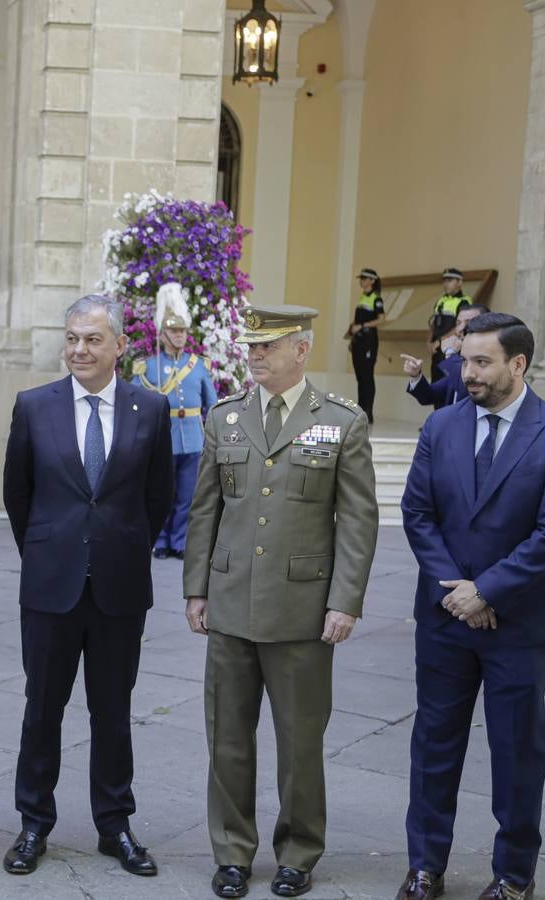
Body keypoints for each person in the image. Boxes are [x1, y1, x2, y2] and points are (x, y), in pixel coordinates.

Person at [183, 305, 378, 900]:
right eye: (253, 346)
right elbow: (205, 511)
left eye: (270, 346)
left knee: (300, 741)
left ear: (302, 349)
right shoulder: (227, 417)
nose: (256, 355)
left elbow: (358, 522)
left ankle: (298, 852)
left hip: (302, 611)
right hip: (231, 605)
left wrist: (344, 602)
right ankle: (233, 852)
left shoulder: (341, 422)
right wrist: (196, 588)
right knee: (228, 738)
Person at [396, 313, 545, 900]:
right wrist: (459, 588)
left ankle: (514, 874)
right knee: (435, 741)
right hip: (445, 615)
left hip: (522, 623)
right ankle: (425, 865)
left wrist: (488, 591)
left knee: (516, 749)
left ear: (518, 364)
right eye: (463, 359)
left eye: (481, 361)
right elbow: (418, 514)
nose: (466, 371)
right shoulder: (442, 427)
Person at [1, 294, 173, 878]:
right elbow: (17, 495)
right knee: (41, 709)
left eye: (93, 339)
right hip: (50, 587)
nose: (79, 349)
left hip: (120, 588)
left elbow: (158, 498)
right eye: (72, 338)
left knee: (113, 710)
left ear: (120, 346)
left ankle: (115, 824)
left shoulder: (150, 410)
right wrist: (50, 551)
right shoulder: (33, 406)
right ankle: (32, 824)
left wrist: (117, 546)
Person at [133, 282, 216, 559]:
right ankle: (160, 540)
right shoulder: (148, 367)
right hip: (162, 440)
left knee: (186, 496)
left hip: (193, 438)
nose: (180, 336)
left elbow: (212, 403)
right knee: (162, 495)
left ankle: (180, 541)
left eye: (182, 331)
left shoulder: (198, 365)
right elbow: (135, 404)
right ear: (163, 334)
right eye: (174, 331)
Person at [402, 304, 487, 409]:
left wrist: (450, 352)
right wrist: (416, 376)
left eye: (468, 322)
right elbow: (428, 396)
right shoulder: (459, 359)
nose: (461, 328)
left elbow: (464, 387)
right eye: (458, 323)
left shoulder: (487, 360)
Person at [425, 267, 471, 406]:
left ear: (459, 282)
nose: (446, 283)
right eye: (444, 280)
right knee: (436, 385)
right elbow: (434, 324)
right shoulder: (441, 301)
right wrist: (429, 341)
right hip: (437, 350)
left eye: (450, 280)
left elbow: (459, 327)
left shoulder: (464, 302)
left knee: (450, 386)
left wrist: (439, 341)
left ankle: (447, 422)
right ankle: (436, 420)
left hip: (452, 349)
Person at [347, 267, 385, 423]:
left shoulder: (376, 298)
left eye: (364, 278)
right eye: (361, 278)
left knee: (367, 376)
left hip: (369, 341)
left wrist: (362, 326)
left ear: (372, 281)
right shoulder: (363, 297)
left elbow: (381, 319)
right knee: (360, 376)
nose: (361, 281)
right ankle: (361, 408)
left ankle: (368, 411)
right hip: (359, 341)